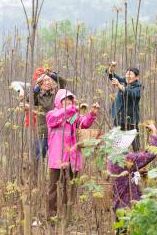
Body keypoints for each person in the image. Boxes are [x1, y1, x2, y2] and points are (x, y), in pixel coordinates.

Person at [46, 89, 99, 219]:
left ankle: (66, 215)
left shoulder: (73, 116)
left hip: (72, 157)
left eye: (70, 99)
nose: (69, 102)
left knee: (69, 187)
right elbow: (54, 120)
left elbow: (84, 123)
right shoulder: (52, 114)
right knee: (53, 188)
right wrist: (72, 109)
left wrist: (92, 113)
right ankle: (51, 216)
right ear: (59, 101)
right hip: (57, 158)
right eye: (65, 99)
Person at [107, 121, 157, 212]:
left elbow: (123, 177)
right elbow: (149, 155)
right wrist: (154, 133)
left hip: (118, 205)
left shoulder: (111, 157)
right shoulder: (124, 158)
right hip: (127, 205)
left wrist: (136, 172)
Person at [106, 61, 141, 151]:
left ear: (137, 77)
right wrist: (111, 68)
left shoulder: (138, 87)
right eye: (127, 74)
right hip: (119, 117)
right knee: (117, 143)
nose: (128, 76)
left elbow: (132, 94)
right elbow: (111, 76)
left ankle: (138, 159)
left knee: (135, 144)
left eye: (131, 74)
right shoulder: (124, 81)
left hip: (131, 120)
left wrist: (119, 85)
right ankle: (117, 160)